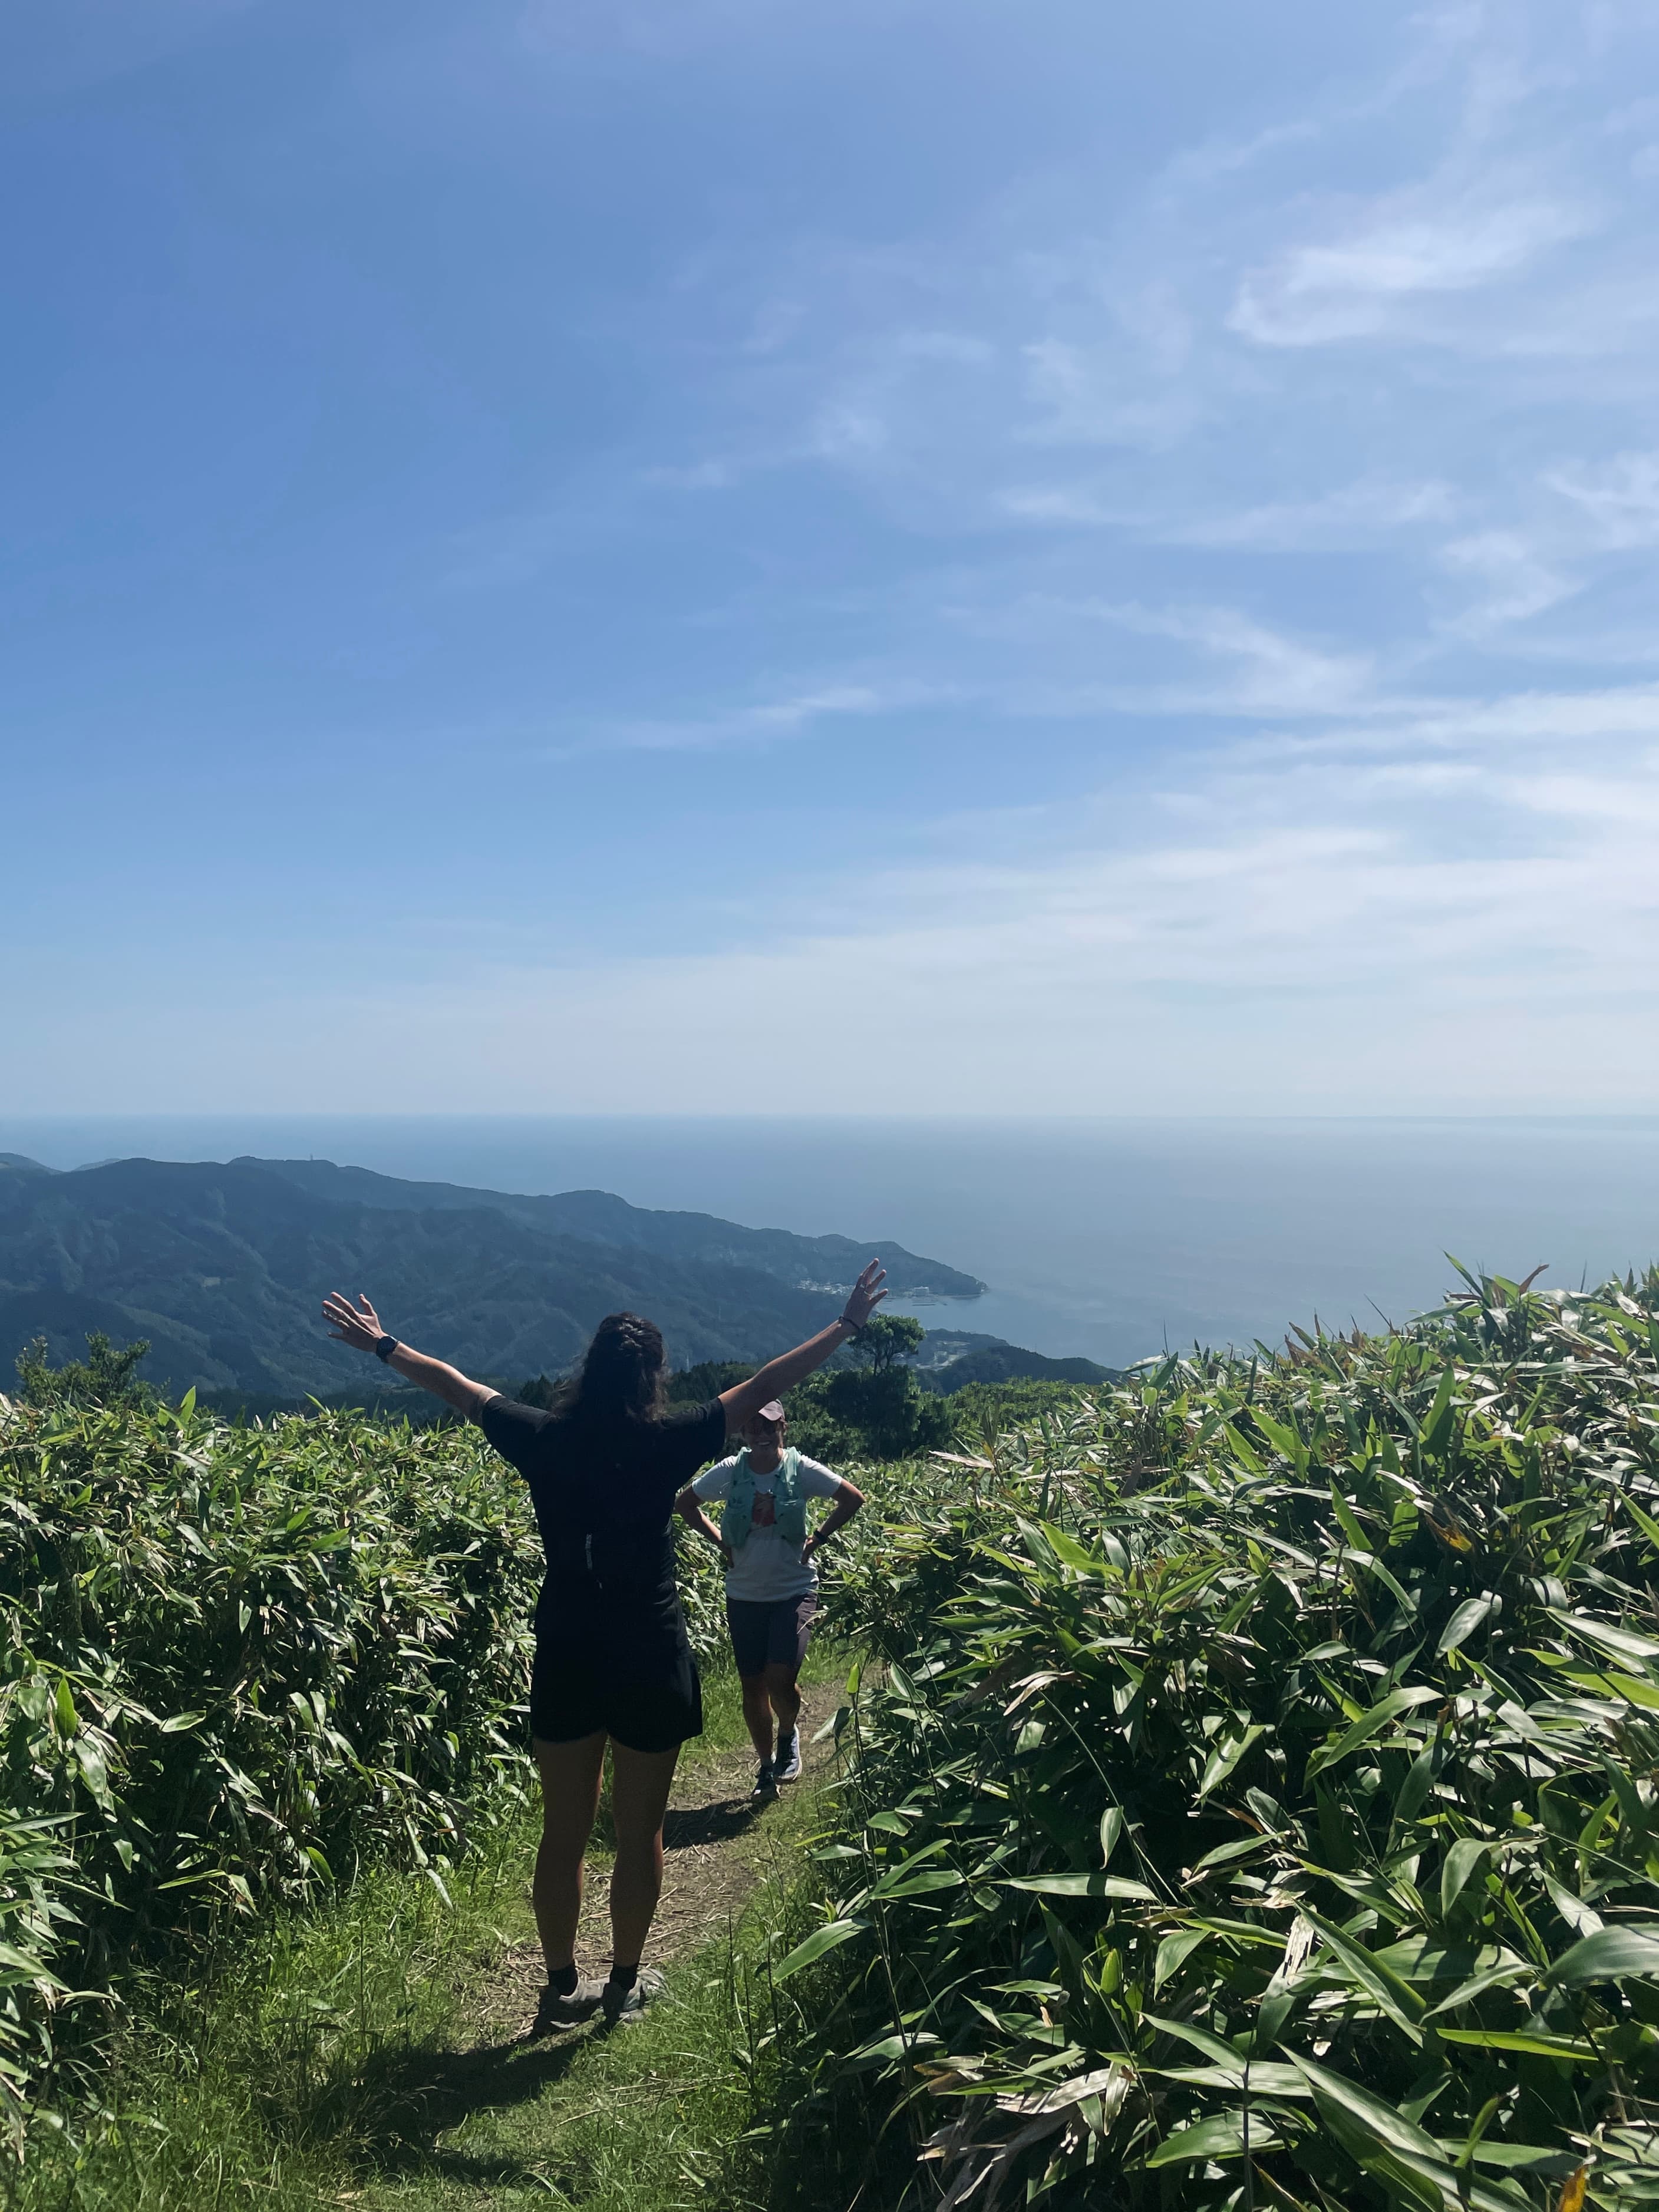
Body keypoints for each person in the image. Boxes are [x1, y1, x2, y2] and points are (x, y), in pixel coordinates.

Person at [320, 1259, 887, 2035]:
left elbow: (456, 1385)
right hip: (648, 1649)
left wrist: (384, 1344)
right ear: (652, 1376)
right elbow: (763, 1384)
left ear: (586, 1370)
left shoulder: (542, 1437)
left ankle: (559, 1989)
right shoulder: (669, 1442)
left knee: (562, 1830)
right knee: (637, 1829)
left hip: (566, 1647)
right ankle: (622, 1982)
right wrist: (847, 1322)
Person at [675, 1401, 863, 1797]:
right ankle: (765, 1768)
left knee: (780, 1678)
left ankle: (789, 1732)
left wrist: (819, 1538)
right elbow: (685, 1505)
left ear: (784, 1428)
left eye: (769, 1426)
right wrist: (721, 1544)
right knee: (752, 1685)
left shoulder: (801, 1469)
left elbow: (851, 1498)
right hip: (743, 1593)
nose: (761, 1433)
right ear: (742, 1433)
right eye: (752, 1426)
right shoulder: (730, 1471)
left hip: (794, 1590)